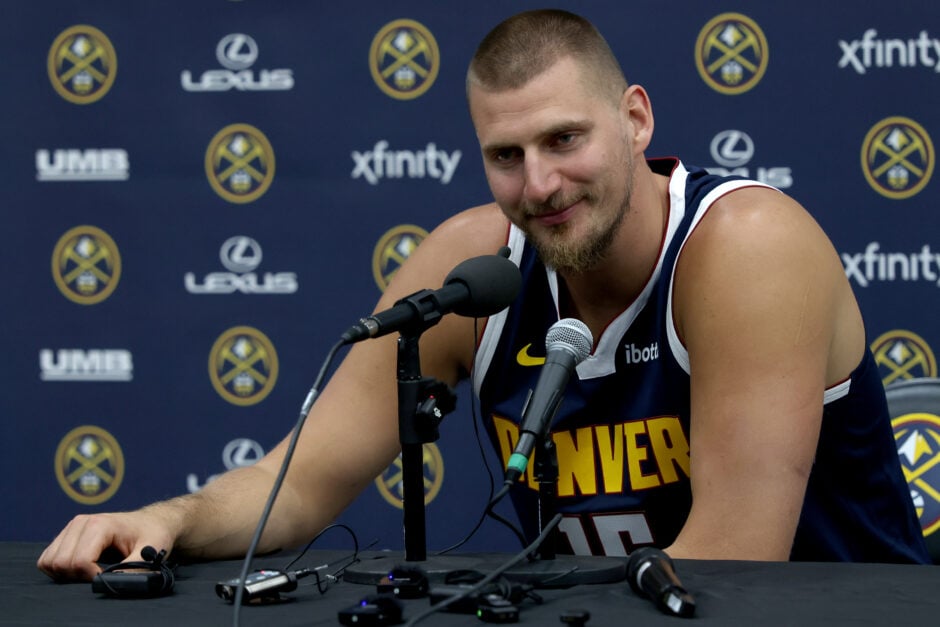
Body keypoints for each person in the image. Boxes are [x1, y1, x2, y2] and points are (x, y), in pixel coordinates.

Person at [38, 9, 929, 581]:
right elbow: (295, 482)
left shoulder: (743, 246)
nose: (539, 183)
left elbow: (735, 568)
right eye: (507, 155)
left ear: (636, 120)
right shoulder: (470, 265)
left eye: (564, 138)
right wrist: (166, 515)